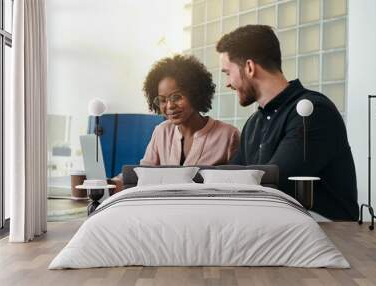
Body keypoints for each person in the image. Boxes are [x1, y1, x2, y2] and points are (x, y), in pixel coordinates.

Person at [216, 25, 358, 221]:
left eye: (227, 73)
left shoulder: (312, 111)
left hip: (328, 235)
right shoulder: (253, 124)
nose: (228, 83)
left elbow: (277, 181)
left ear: (249, 67)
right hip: (281, 227)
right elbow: (232, 178)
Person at [140, 54, 240, 166]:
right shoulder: (161, 132)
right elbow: (143, 172)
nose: (169, 106)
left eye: (176, 97)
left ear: (195, 94)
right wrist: (118, 180)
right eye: (162, 100)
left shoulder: (228, 135)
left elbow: (236, 180)